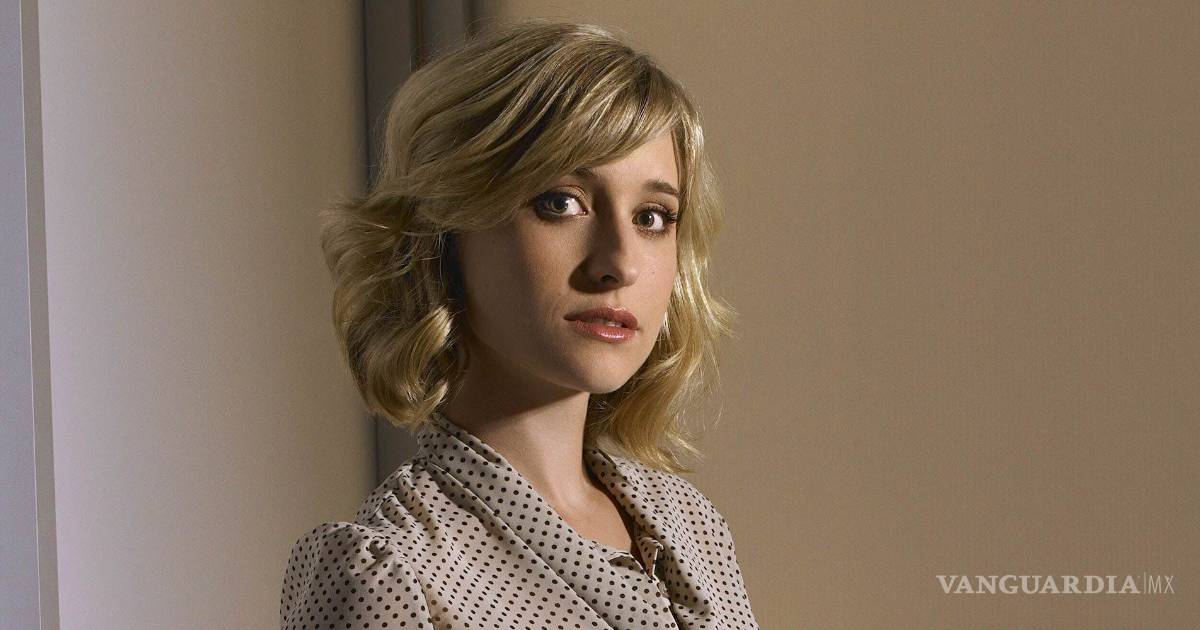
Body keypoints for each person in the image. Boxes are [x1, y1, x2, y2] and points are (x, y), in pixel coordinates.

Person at [280, 19, 759, 629]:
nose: (620, 263)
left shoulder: (693, 527)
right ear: (443, 232)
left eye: (652, 217)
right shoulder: (389, 573)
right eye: (561, 203)